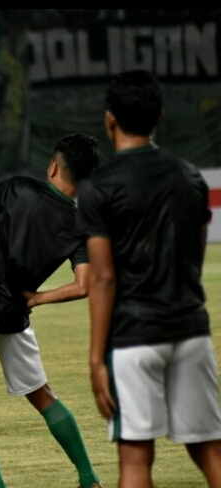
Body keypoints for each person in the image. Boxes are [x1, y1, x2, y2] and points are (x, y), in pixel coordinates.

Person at [76, 69, 221, 488]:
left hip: (134, 337)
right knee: (210, 450)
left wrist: (95, 359)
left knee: (136, 460)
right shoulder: (191, 176)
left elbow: (103, 279)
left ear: (109, 120)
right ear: (159, 116)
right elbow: (193, 256)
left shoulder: (98, 188)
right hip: (191, 331)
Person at [0, 134, 104, 488]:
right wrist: (38, 298)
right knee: (43, 395)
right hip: (16, 312)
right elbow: (83, 285)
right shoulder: (80, 226)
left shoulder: (17, 188)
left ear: (53, 166)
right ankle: (89, 476)